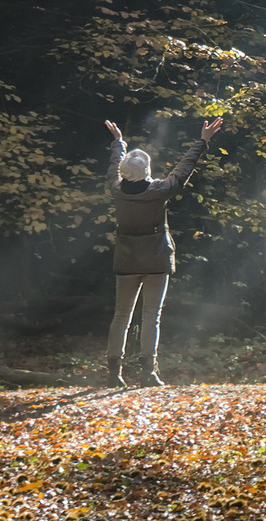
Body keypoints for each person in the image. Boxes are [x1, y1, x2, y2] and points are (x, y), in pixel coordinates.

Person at [102, 116, 222, 387]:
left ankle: (114, 373)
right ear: (146, 170)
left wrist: (118, 142)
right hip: (156, 258)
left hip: (126, 260)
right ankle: (148, 372)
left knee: (121, 316)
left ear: (124, 172)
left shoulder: (116, 189)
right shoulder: (159, 191)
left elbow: (114, 166)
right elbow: (183, 170)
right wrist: (202, 141)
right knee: (150, 316)